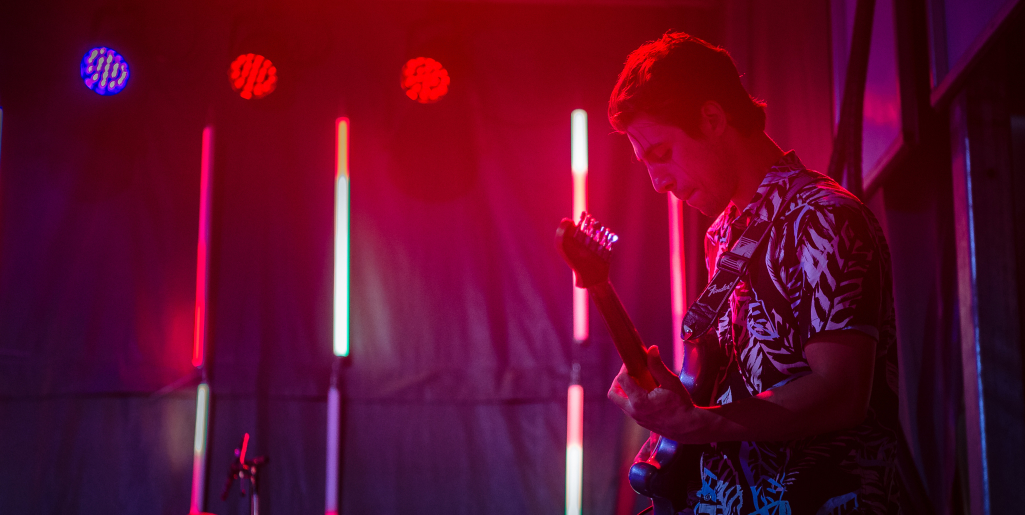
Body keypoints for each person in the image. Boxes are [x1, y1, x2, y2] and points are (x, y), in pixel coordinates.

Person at [605, 32, 900, 514]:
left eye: (660, 154)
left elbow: (842, 394)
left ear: (713, 118)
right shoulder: (721, 235)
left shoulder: (826, 218)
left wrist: (697, 423)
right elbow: (745, 388)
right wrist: (676, 398)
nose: (658, 182)